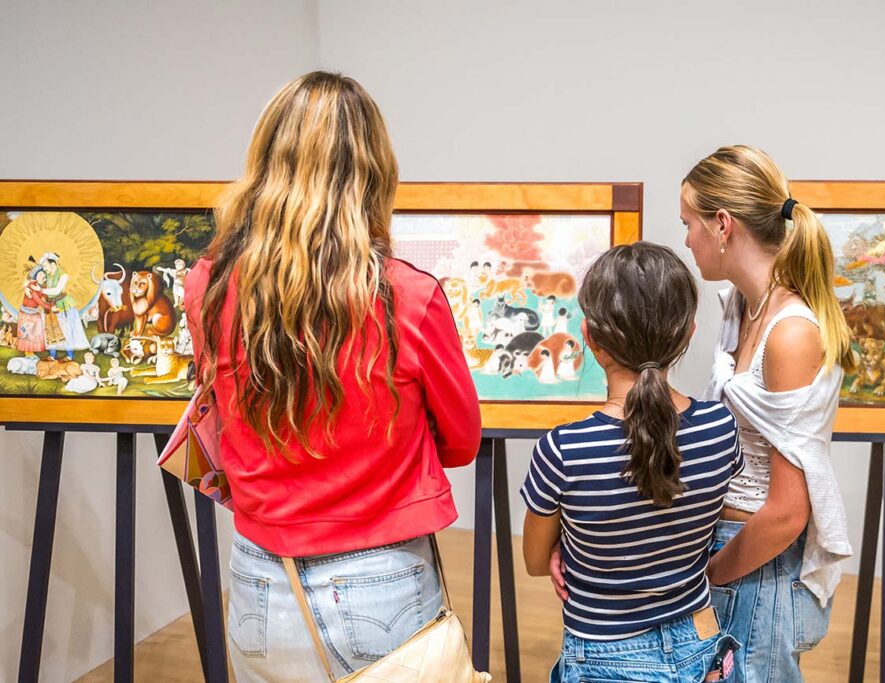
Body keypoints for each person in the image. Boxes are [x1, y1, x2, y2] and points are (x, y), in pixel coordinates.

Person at [184, 71, 481, 681]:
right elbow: (461, 441)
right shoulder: (409, 296)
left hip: (259, 580)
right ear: (374, 173)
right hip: (385, 579)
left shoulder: (208, 287)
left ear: (265, 163)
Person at [522, 242, 743, 683]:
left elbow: (533, 559)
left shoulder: (563, 450)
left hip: (603, 654)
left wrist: (564, 548)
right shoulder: (721, 428)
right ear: (688, 334)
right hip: (702, 644)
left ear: (589, 337)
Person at [680, 145, 854, 681]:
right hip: (733, 550)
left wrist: (709, 577)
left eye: (689, 223)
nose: (686, 239)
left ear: (723, 225)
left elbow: (786, 512)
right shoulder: (742, 306)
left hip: (757, 561)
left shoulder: (791, 333)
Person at [40, 252, 90, 359]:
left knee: (66, 330)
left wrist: (40, 289)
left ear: (53, 264)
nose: (44, 269)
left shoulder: (63, 275)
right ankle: (52, 356)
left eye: (45, 266)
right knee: (51, 329)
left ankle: (69, 356)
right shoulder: (47, 276)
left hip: (63, 305)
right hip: (50, 305)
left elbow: (56, 290)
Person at [15, 267, 52, 356]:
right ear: (35, 277)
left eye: (43, 275)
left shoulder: (42, 286)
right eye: (39, 275)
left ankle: (33, 350)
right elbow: (37, 300)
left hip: (35, 312)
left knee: (36, 332)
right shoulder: (32, 285)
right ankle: (28, 352)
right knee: (27, 332)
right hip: (26, 313)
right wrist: (50, 307)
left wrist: (49, 303)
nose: (41, 276)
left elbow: (44, 298)